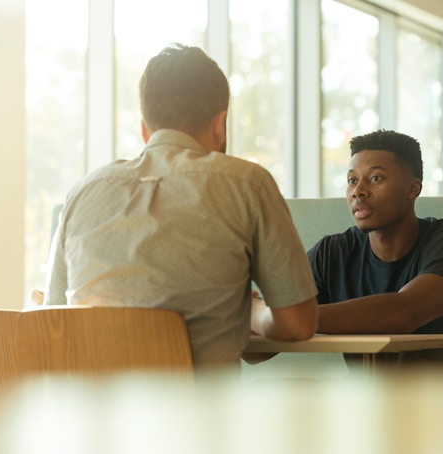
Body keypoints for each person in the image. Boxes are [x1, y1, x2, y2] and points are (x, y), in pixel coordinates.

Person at [44, 43, 318, 368]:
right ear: (221, 124)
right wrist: (254, 313)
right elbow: (298, 324)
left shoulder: (82, 192)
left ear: (145, 129)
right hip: (198, 414)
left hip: (89, 414)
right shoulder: (248, 183)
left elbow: (52, 320)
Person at [306, 129, 443, 363]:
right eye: (352, 180)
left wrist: (284, 319)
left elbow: (402, 313)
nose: (358, 191)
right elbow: (258, 351)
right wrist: (258, 315)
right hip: (367, 397)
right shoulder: (331, 254)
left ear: (413, 189)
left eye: (375, 178)